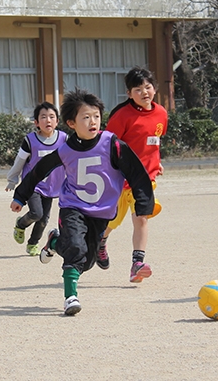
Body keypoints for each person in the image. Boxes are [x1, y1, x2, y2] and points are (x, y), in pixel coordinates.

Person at [10, 88, 154, 315]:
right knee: (76, 249)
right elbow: (38, 171)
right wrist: (21, 195)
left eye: (96, 116)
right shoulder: (65, 150)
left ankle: (55, 243)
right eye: (85, 117)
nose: (92, 122)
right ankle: (70, 297)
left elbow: (136, 173)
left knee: (86, 261)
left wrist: (143, 204)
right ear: (71, 123)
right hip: (73, 207)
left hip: (102, 213)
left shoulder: (112, 144)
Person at [96, 66, 168, 283]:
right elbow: (107, 145)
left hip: (145, 179)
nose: (144, 92)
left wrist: (158, 162)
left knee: (141, 219)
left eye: (148, 87)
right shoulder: (122, 115)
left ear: (154, 88)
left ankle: (137, 263)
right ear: (129, 94)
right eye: (137, 89)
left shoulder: (161, 113)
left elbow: (154, 140)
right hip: (120, 179)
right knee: (112, 221)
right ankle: (101, 240)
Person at [6, 102, 67, 255]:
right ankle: (21, 224)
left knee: (43, 220)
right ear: (36, 122)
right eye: (43, 117)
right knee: (36, 213)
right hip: (34, 185)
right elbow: (19, 161)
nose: (48, 120)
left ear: (57, 121)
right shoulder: (30, 141)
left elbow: (71, 160)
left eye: (52, 117)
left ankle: (33, 243)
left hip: (52, 186)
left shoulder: (63, 139)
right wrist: (12, 180)